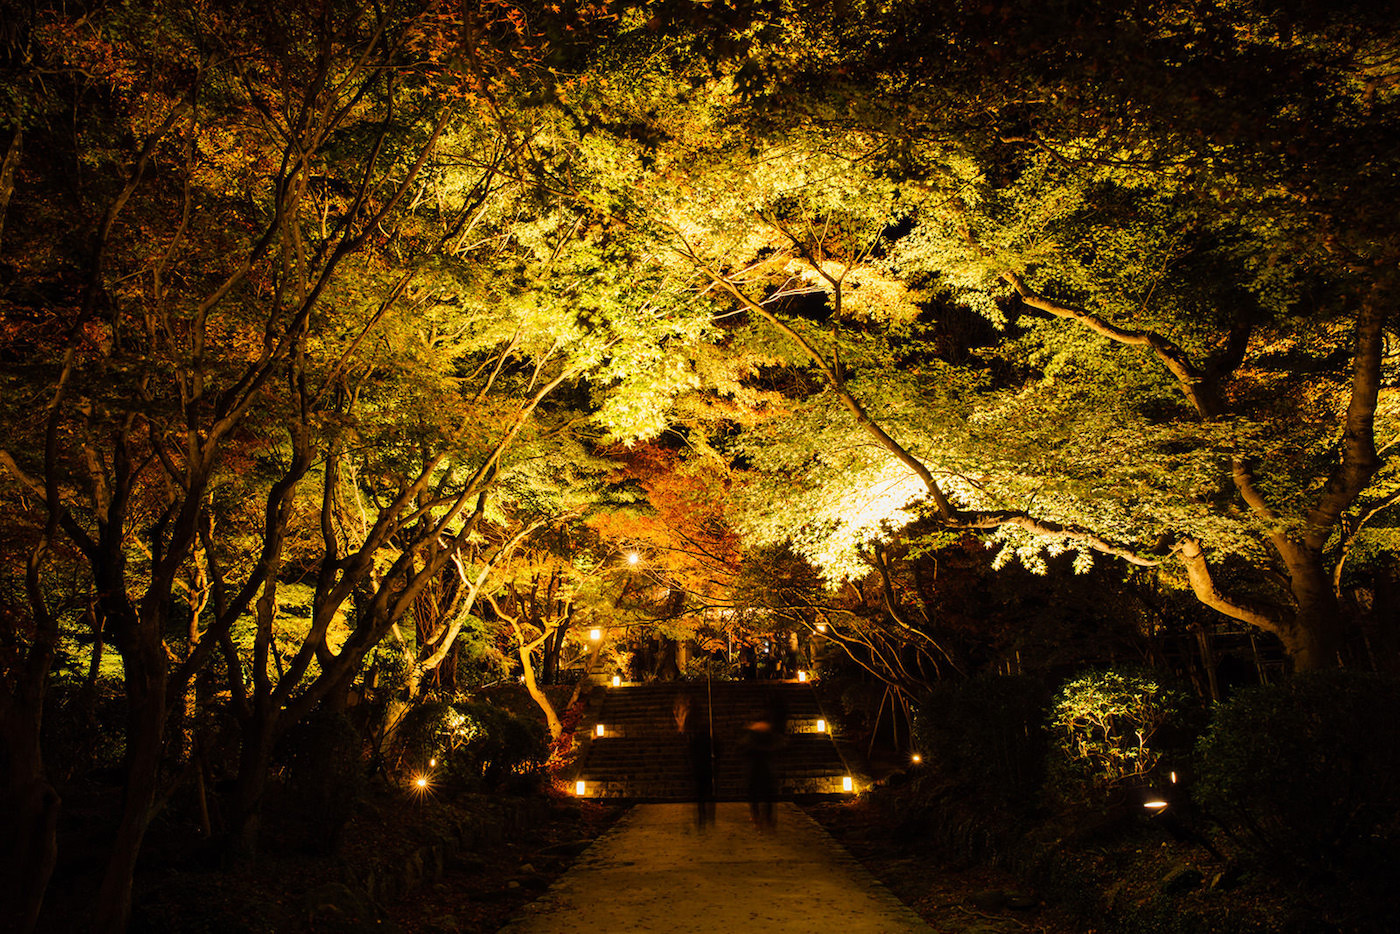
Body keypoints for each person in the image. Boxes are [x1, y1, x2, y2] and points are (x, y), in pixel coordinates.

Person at [739, 711, 781, 832]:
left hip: (754, 769)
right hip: (765, 768)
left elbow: (742, 749)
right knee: (767, 796)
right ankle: (766, 819)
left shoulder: (751, 736)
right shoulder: (769, 735)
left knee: (755, 795)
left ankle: (757, 818)